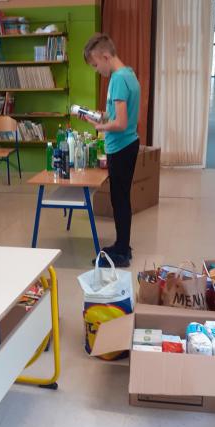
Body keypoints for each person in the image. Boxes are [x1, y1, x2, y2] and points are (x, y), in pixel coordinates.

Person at [83, 33, 140, 268]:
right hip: (128, 145)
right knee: (121, 198)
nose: (97, 70)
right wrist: (100, 116)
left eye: (96, 65)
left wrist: (101, 127)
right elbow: (117, 116)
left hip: (121, 147)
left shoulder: (117, 79)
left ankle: (122, 252)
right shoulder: (129, 74)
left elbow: (121, 123)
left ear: (105, 56)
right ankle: (121, 245)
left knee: (120, 200)